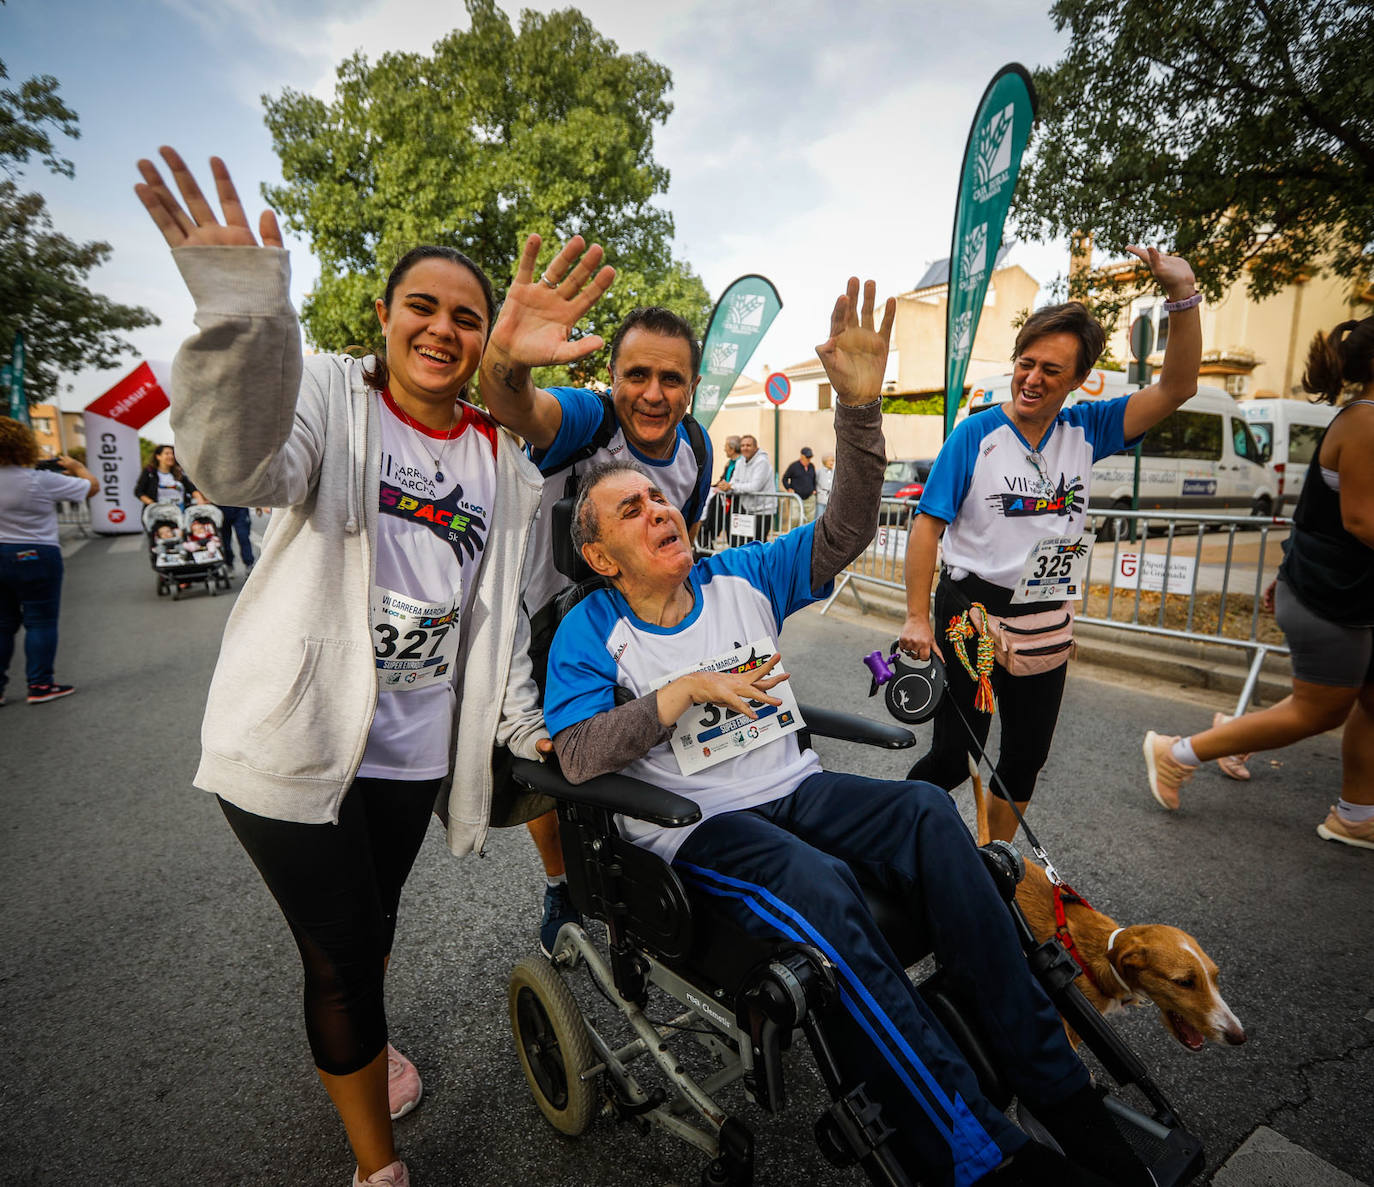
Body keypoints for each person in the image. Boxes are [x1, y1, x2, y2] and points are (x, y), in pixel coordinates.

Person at [544, 281, 1151, 1187]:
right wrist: (677, 697)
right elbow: (582, 755)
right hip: (696, 824)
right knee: (820, 886)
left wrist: (860, 411)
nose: (659, 511)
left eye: (659, 502)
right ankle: (981, 1150)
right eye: (630, 512)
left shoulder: (740, 574)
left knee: (923, 812)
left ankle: (1055, 1080)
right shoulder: (590, 631)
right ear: (599, 556)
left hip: (791, 785)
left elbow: (847, 528)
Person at [134, 147, 549, 1187]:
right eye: (424, 305)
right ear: (382, 312)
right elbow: (234, 467)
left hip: (411, 750)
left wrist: (523, 731)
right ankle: (378, 1167)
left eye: (467, 316)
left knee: (374, 928)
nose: (443, 329)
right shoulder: (328, 390)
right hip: (296, 735)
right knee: (341, 950)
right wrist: (242, 312)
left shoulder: (500, 460)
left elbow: (499, 618)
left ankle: (360, 1023)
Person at [899, 247, 1203, 843]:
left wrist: (1183, 296)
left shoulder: (1088, 430)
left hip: (1046, 615)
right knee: (954, 756)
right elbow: (926, 527)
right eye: (1026, 363)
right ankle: (894, 843)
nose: (1032, 379)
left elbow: (1178, 386)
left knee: (1024, 759)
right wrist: (916, 617)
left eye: (1052, 371)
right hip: (972, 614)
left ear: (1079, 380)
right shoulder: (976, 434)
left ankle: (994, 865)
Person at [478, 232, 713, 954]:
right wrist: (507, 356)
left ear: (692, 387)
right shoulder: (590, 418)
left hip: (634, 624)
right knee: (556, 771)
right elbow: (513, 402)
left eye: (671, 379)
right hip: (545, 622)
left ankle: (649, 886)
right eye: (636, 373)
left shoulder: (697, 448)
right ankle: (561, 884)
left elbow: (683, 548)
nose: (653, 392)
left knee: (653, 749)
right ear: (610, 376)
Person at [1143, 314, 1374, 850]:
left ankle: (1357, 814)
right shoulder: (1365, 421)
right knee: (1321, 710)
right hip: (1332, 597)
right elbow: (1360, 520)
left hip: (1341, 592)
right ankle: (1177, 754)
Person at [0, 418, 97, 705]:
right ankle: (40, 684)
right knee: (41, 621)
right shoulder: (38, 479)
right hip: (36, 554)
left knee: (2, 624)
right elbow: (91, 488)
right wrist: (78, 468)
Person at [721, 433, 775, 544]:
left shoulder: (762, 462)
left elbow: (754, 487)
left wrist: (731, 486)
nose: (745, 448)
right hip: (746, 509)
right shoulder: (740, 462)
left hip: (763, 511)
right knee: (744, 543)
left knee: (758, 544)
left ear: (756, 448)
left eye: (748, 445)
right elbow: (734, 481)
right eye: (743, 445)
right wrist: (727, 487)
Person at [699, 433, 741, 549]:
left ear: (732, 448)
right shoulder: (730, 464)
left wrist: (726, 486)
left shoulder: (740, 463)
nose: (724, 449)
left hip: (734, 502)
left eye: (726, 446)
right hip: (724, 500)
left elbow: (734, 482)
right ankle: (706, 544)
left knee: (733, 533)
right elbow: (722, 480)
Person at [134, 443, 206, 508]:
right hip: (158, 513)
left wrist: (200, 501)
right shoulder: (150, 472)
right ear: (158, 456)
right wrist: (153, 505)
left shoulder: (179, 473)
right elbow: (138, 491)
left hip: (180, 512)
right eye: (167, 454)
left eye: (172, 454)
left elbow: (192, 490)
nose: (171, 456)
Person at [782, 445, 818, 522]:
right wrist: (789, 488)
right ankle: (795, 534)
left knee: (809, 520)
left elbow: (814, 480)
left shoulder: (811, 466)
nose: (809, 459)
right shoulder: (794, 466)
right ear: (802, 456)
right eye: (807, 457)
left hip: (809, 498)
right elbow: (784, 479)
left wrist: (814, 490)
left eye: (810, 458)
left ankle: (806, 534)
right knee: (795, 518)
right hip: (796, 498)